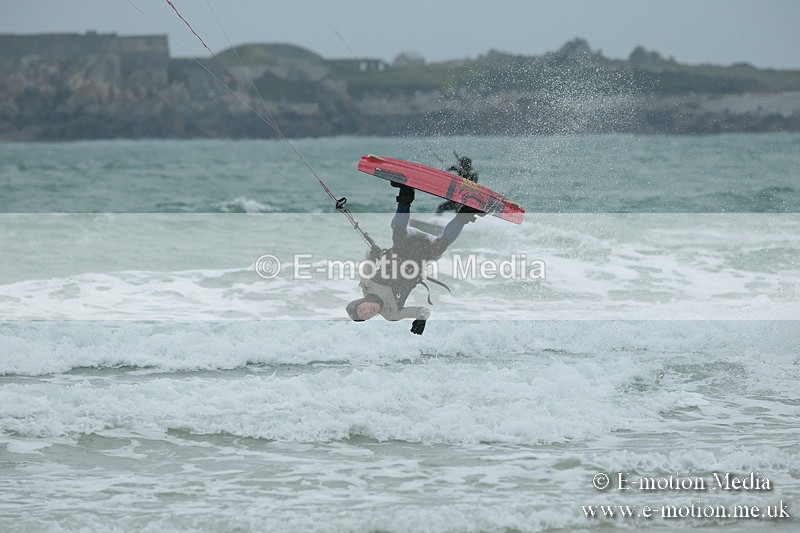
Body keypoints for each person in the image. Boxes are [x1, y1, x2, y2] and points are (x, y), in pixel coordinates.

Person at [346, 184, 481, 335]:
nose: (367, 312)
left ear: (361, 302)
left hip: (406, 242)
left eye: (362, 309)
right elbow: (422, 310)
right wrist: (421, 319)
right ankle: (467, 212)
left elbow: (369, 255)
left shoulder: (367, 283)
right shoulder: (392, 314)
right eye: (365, 316)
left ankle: (405, 193)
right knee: (440, 247)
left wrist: (376, 253)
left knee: (398, 235)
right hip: (425, 254)